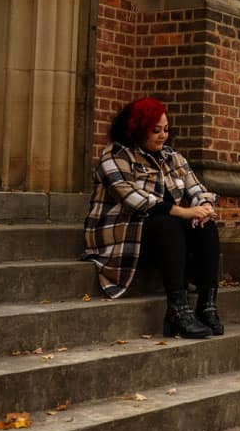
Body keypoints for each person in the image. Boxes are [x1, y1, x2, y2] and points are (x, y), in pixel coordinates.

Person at [83, 97, 223, 339]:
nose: (162, 136)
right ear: (137, 129)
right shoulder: (116, 156)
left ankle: (206, 305)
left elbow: (197, 188)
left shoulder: (172, 157)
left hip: (163, 237)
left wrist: (205, 207)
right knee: (167, 223)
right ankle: (178, 310)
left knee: (205, 227)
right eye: (155, 130)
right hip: (122, 233)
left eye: (166, 130)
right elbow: (135, 200)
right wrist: (185, 211)